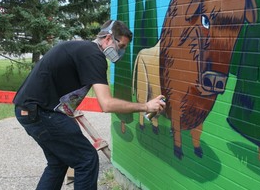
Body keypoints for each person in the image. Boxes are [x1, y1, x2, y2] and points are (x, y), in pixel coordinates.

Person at [13, 20, 166, 190]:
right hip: (41, 113)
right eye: (120, 46)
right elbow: (106, 104)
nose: (121, 51)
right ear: (108, 38)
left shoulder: (83, 50)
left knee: (58, 162)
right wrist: (146, 106)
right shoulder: (93, 55)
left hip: (31, 110)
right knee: (87, 159)